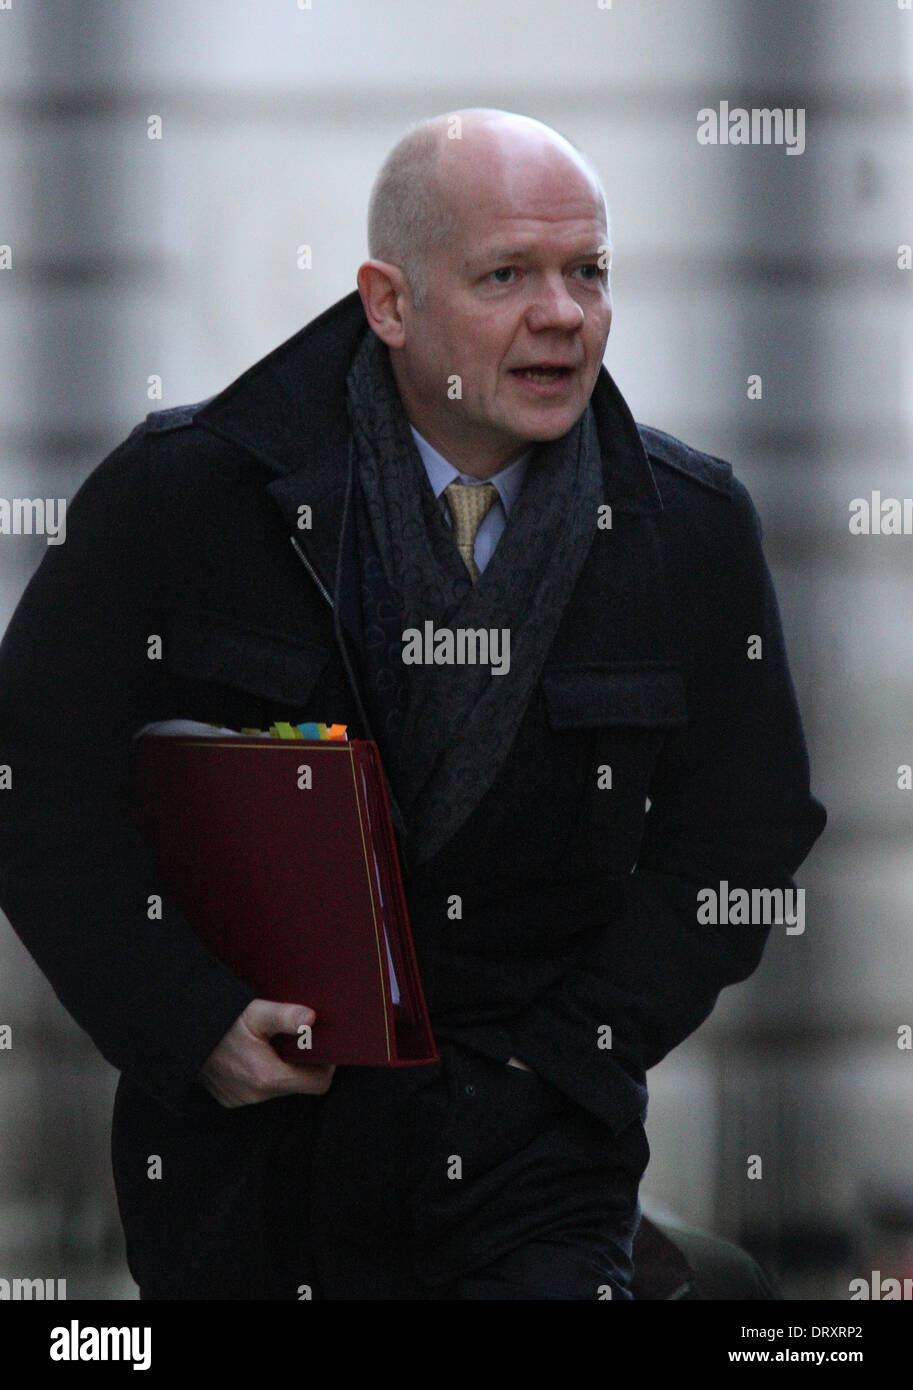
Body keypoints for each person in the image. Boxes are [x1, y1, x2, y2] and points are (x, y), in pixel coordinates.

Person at [0, 109, 825, 1300]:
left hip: (538, 1166)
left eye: (587, 271)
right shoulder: (186, 495)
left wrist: (563, 1063)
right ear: (388, 303)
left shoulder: (688, 530)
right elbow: (37, 783)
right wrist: (191, 1022)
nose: (563, 313)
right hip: (247, 1165)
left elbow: (742, 845)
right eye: (507, 275)